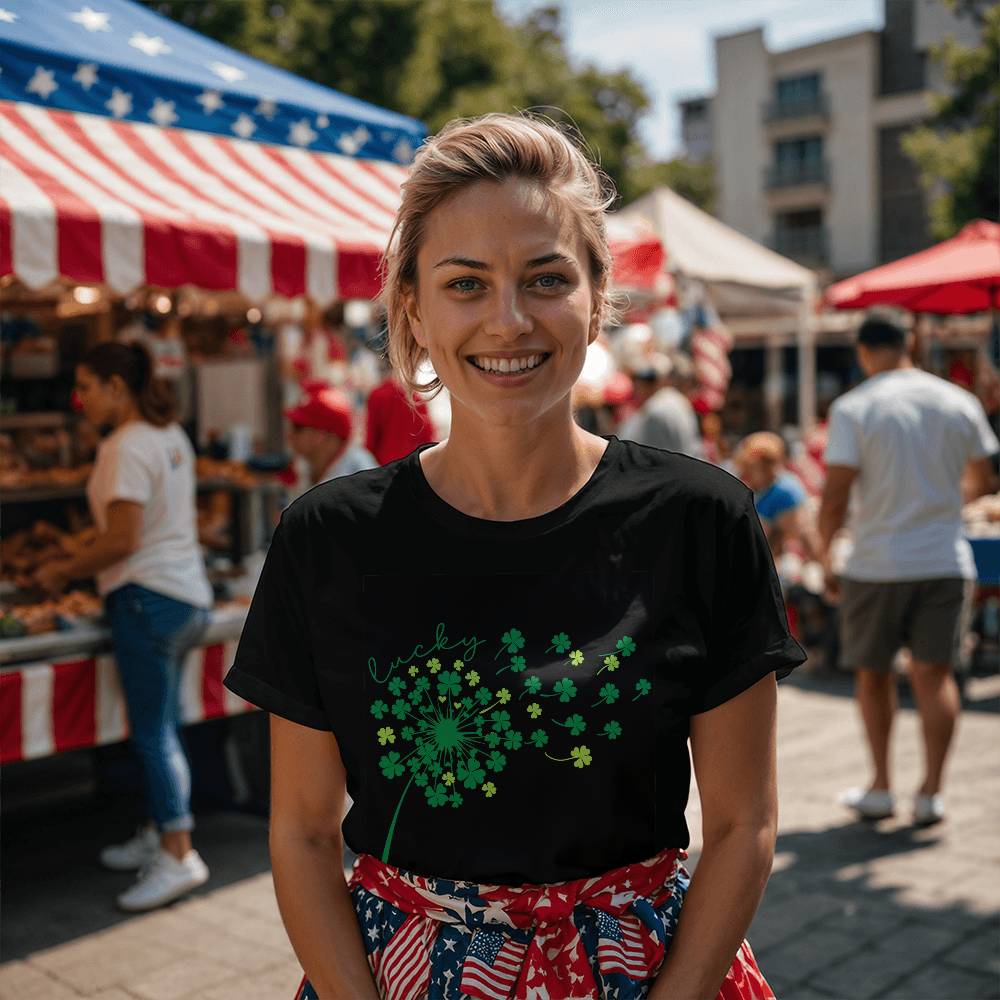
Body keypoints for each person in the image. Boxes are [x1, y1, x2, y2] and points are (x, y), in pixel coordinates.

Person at [224, 113, 806, 1000]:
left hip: (654, 975)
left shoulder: (702, 519)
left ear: (597, 296)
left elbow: (741, 823)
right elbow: (302, 834)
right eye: (465, 283)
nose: (508, 320)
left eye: (546, 278)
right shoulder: (325, 539)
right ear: (412, 306)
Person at [36, 341, 213, 911]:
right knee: (164, 725)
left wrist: (63, 568)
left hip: (147, 599)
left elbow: (123, 540)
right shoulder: (170, 436)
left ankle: (178, 852)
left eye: (86, 385)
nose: (80, 397)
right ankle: (159, 831)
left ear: (117, 386)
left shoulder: (124, 445)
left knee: (153, 732)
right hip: (185, 596)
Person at [818, 314, 999, 826]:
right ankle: (930, 792)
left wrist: (826, 553)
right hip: (944, 556)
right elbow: (982, 480)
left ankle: (880, 786)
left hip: (876, 561)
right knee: (935, 675)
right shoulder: (956, 401)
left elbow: (835, 495)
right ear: (911, 342)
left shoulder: (855, 407)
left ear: (863, 350)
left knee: (873, 676)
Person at [282, 384, 377, 504]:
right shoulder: (307, 466)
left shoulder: (360, 474)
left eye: (298, 428)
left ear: (321, 435)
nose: (289, 435)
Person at [734, 432, 819, 564]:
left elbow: (803, 535)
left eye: (750, 467)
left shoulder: (785, 490)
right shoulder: (759, 489)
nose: (745, 472)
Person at [617, 352, 704, 459]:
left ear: (664, 379)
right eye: (638, 379)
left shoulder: (660, 408)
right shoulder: (672, 401)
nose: (640, 385)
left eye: (650, 380)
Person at [365, 363, 437, 465]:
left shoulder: (377, 395)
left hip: (382, 465)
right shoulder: (417, 399)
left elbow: (370, 439)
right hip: (410, 466)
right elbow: (428, 438)